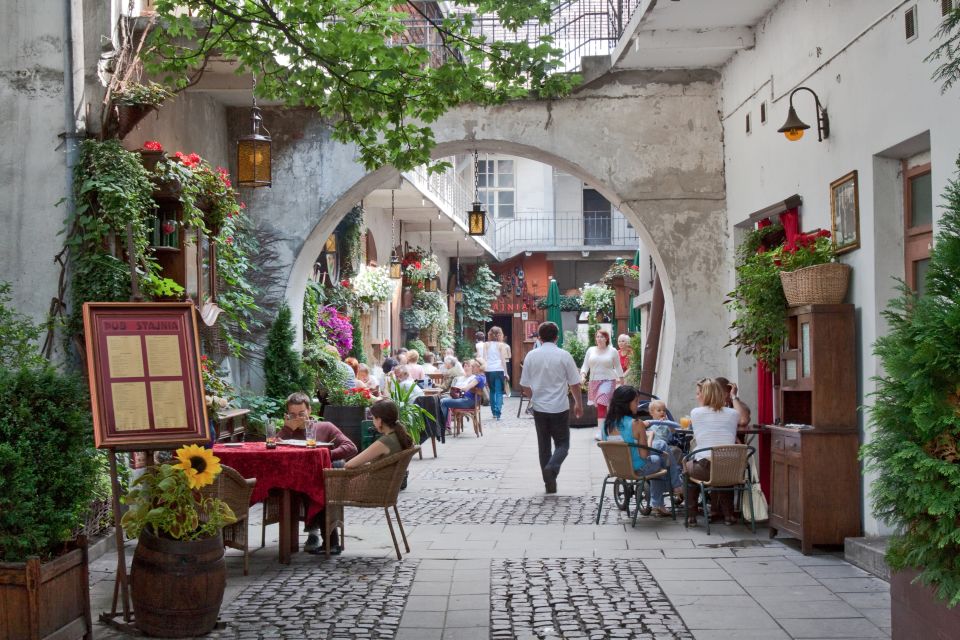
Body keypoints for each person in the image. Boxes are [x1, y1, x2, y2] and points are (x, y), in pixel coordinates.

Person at [281, 392, 358, 555]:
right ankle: (316, 536)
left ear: (309, 410)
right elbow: (271, 450)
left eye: (301, 414)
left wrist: (324, 454)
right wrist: (287, 429)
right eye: (293, 415)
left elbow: (350, 447)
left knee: (319, 485)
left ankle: (324, 538)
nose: (298, 418)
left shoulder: (325, 427)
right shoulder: (287, 431)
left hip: (320, 479)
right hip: (294, 478)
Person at [519, 321, 583, 494]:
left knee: (544, 446)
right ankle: (553, 467)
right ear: (557, 336)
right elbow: (575, 383)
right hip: (560, 407)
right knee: (563, 444)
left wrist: (534, 398)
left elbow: (524, 385)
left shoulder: (532, 356)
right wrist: (578, 403)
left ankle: (549, 483)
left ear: (539, 337)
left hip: (540, 408)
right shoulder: (564, 355)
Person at [601, 386, 679, 516]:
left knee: (661, 445)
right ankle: (672, 490)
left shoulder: (606, 424)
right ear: (627, 403)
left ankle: (666, 496)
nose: (638, 405)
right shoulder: (636, 424)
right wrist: (649, 436)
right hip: (637, 468)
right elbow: (644, 455)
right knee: (660, 459)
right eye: (636, 401)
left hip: (617, 467)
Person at [685, 378, 740, 527]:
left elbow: (698, 436)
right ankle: (728, 515)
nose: (696, 397)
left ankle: (691, 515)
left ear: (705, 395)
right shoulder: (733, 414)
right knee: (723, 469)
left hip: (705, 469)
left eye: (698, 394)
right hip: (731, 469)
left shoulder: (696, 413)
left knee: (687, 469)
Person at [345, 399, 414, 468]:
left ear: (379, 420)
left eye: (373, 419)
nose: (373, 422)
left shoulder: (386, 441)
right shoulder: (401, 436)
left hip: (377, 478)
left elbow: (349, 465)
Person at [580, 329, 624, 426]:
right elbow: (585, 365)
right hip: (593, 381)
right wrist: (583, 375)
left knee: (601, 403)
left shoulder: (612, 351)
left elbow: (618, 366)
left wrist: (621, 380)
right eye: (597, 336)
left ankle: (601, 431)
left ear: (606, 338)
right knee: (602, 406)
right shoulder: (590, 350)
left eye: (602, 337)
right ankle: (609, 425)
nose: (599, 339)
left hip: (608, 380)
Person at [438, 359, 485, 428]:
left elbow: (466, 388)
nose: (472, 368)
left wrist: (458, 388)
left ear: (478, 367)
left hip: (468, 401)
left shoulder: (478, 378)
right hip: (468, 400)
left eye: (473, 366)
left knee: (443, 402)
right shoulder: (481, 377)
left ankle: (443, 427)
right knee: (443, 400)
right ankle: (444, 426)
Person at [477, 326, 511, 420]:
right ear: (500, 335)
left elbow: (484, 359)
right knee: (499, 391)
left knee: (492, 391)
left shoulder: (486, 344)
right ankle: (498, 411)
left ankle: (494, 412)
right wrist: (506, 372)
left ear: (490, 334)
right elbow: (503, 360)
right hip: (499, 369)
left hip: (489, 370)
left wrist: (483, 371)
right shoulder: (501, 345)